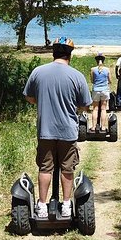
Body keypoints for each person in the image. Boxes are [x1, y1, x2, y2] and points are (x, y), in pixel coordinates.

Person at [23, 37, 92, 218]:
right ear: (70, 55)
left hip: (45, 130)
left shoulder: (38, 72)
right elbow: (85, 105)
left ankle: (43, 206)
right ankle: (67, 205)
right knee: (67, 168)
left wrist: (43, 101)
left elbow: (29, 97)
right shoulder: (77, 76)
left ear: (53, 52)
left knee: (45, 168)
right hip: (68, 131)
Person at [89, 52, 112, 132]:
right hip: (105, 90)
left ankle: (93, 127)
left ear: (96, 60)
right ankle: (103, 127)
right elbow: (110, 81)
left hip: (96, 90)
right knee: (103, 109)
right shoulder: (107, 70)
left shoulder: (92, 69)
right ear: (103, 60)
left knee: (95, 109)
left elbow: (92, 80)